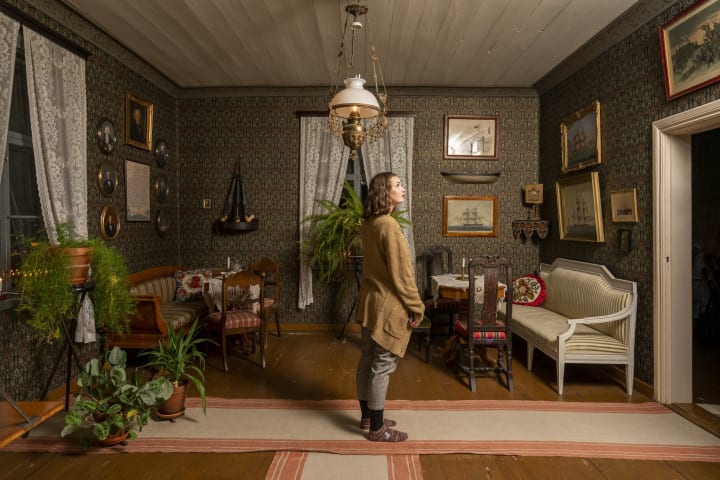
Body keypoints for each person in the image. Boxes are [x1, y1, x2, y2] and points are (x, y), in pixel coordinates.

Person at [355, 172, 425, 442]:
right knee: (382, 366)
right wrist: (417, 307)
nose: (402, 188)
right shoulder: (389, 225)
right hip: (387, 305)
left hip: (369, 302)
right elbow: (402, 274)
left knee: (367, 360)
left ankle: (368, 418)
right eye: (397, 185)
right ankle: (377, 429)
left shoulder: (370, 223)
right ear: (385, 192)